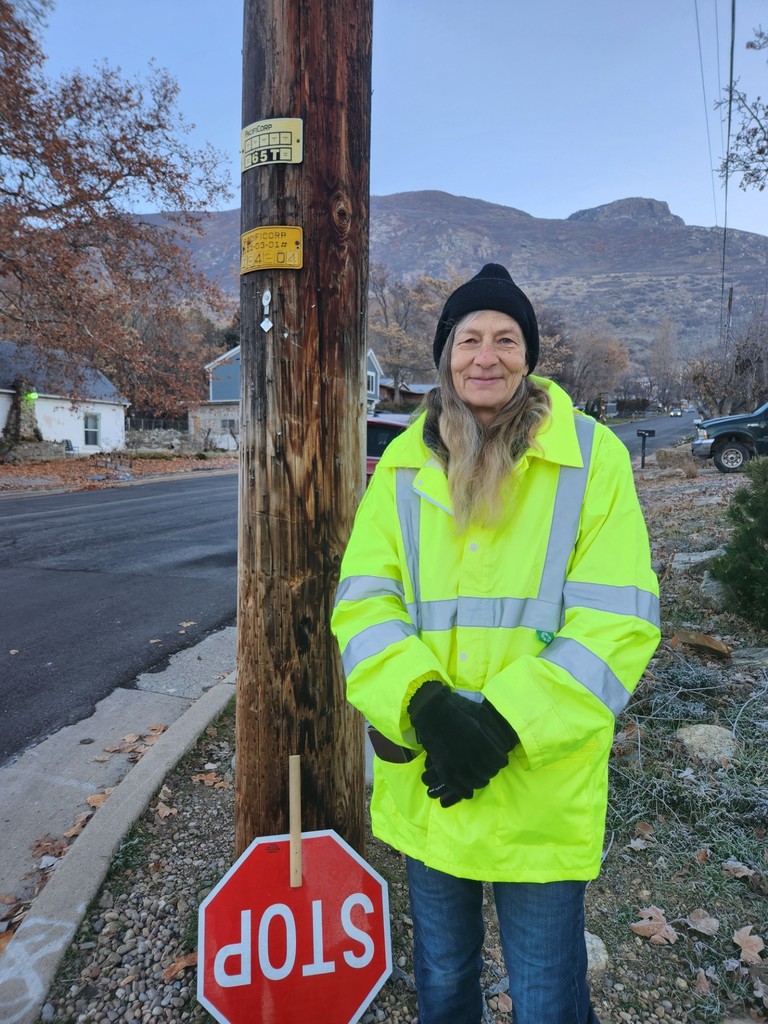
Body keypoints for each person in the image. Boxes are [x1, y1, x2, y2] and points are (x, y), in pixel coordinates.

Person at [331, 263, 660, 1024]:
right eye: (469, 337)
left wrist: (507, 721)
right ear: (445, 354)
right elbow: (364, 600)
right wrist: (424, 705)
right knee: (444, 984)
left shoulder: (591, 455)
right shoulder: (406, 464)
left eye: (506, 338)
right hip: (433, 774)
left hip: (538, 784)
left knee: (545, 995)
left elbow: (619, 619)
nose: (487, 355)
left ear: (529, 356)